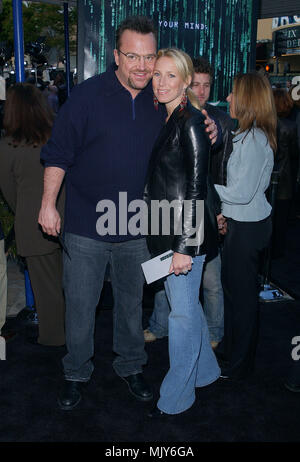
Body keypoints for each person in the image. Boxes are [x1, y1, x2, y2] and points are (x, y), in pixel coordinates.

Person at [38, 16, 218, 411]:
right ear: (115, 56)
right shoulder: (86, 97)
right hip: (86, 224)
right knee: (81, 305)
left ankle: (131, 365)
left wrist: (211, 127)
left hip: (142, 226)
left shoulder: (163, 101)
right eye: (132, 56)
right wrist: (48, 202)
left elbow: (192, 157)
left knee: (131, 302)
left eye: (149, 57)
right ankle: (75, 371)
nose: (141, 65)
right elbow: (58, 154)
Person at [144, 48, 221, 417]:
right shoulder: (171, 115)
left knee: (182, 317)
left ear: (187, 81)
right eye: (157, 74)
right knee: (187, 310)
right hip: (170, 229)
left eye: (170, 76)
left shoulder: (190, 120)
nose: (161, 82)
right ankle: (206, 372)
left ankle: (177, 397)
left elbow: (195, 187)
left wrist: (183, 248)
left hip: (183, 236)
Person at [214, 72, 277, 380]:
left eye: (233, 93)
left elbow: (240, 193)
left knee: (242, 298)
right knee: (234, 293)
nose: (227, 98)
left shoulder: (253, 140)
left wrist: (205, 189)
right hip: (244, 224)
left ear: (248, 99)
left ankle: (239, 366)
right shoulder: (249, 135)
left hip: (248, 229)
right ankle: (232, 351)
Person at [0, 83, 65, 346]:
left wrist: (26, 212)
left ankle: (53, 340)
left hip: (33, 223)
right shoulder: (59, 135)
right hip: (69, 221)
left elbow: (8, 192)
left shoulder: (7, 146)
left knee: (46, 289)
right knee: (66, 284)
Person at [272, 89, 299, 258]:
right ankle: (277, 252)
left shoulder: (266, 124)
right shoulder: (291, 126)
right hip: (286, 177)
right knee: (281, 219)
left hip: (269, 177)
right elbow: (295, 153)